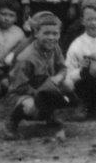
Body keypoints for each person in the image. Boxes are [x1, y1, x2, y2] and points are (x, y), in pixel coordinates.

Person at [5, 11, 80, 140]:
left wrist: (57, 79)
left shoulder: (54, 47)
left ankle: (50, 117)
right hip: (23, 93)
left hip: (45, 85)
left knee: (67, 84)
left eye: (55, 33)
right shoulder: (26, 57)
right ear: (36, 33)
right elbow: (19, 87)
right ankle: (12, 123)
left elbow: (63, 67)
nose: (51, 37)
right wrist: (43, 92)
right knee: (31, 107)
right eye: (46, 33)